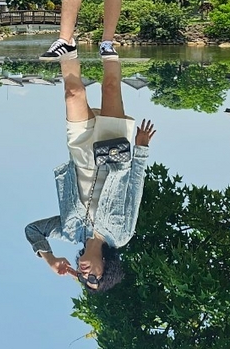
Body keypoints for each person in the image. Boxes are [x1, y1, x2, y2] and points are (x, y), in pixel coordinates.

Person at [25, 57, 156, 292]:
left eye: (83, 280)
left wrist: (50, 259)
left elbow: (33, 230)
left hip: (81, 156)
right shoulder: (121, 236)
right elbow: (134, 193)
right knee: (111, 86)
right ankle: (108, 43)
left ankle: (67, 45)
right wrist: (141, 150)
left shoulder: (70, 232)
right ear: (107, 269)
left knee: (72, 94)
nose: (86, 276)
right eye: (94, 280)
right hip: (113, 154)